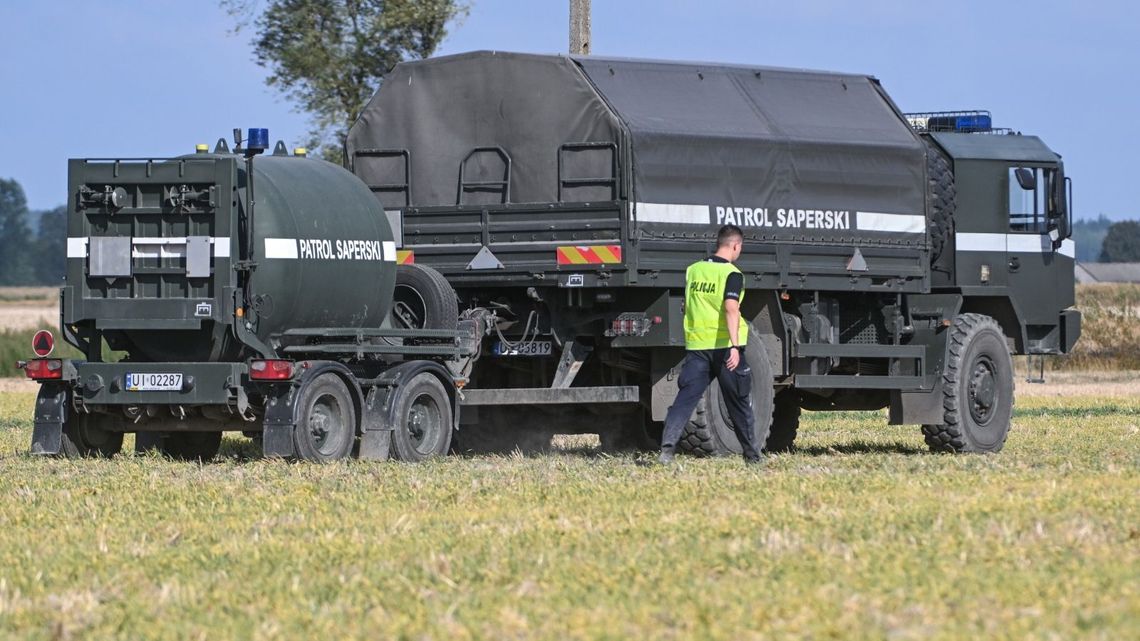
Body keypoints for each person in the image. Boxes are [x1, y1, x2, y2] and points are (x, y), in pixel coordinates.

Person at [659, 224, 763, 464]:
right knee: (738, 403)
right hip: (724, 348)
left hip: (697, 347)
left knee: (685, 400)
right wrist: (735, 346)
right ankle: (752, 457)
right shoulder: (732, 274)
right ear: (735, 246)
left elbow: (688, 304)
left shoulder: (694, 270)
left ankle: (666, 450)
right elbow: (730, 308)